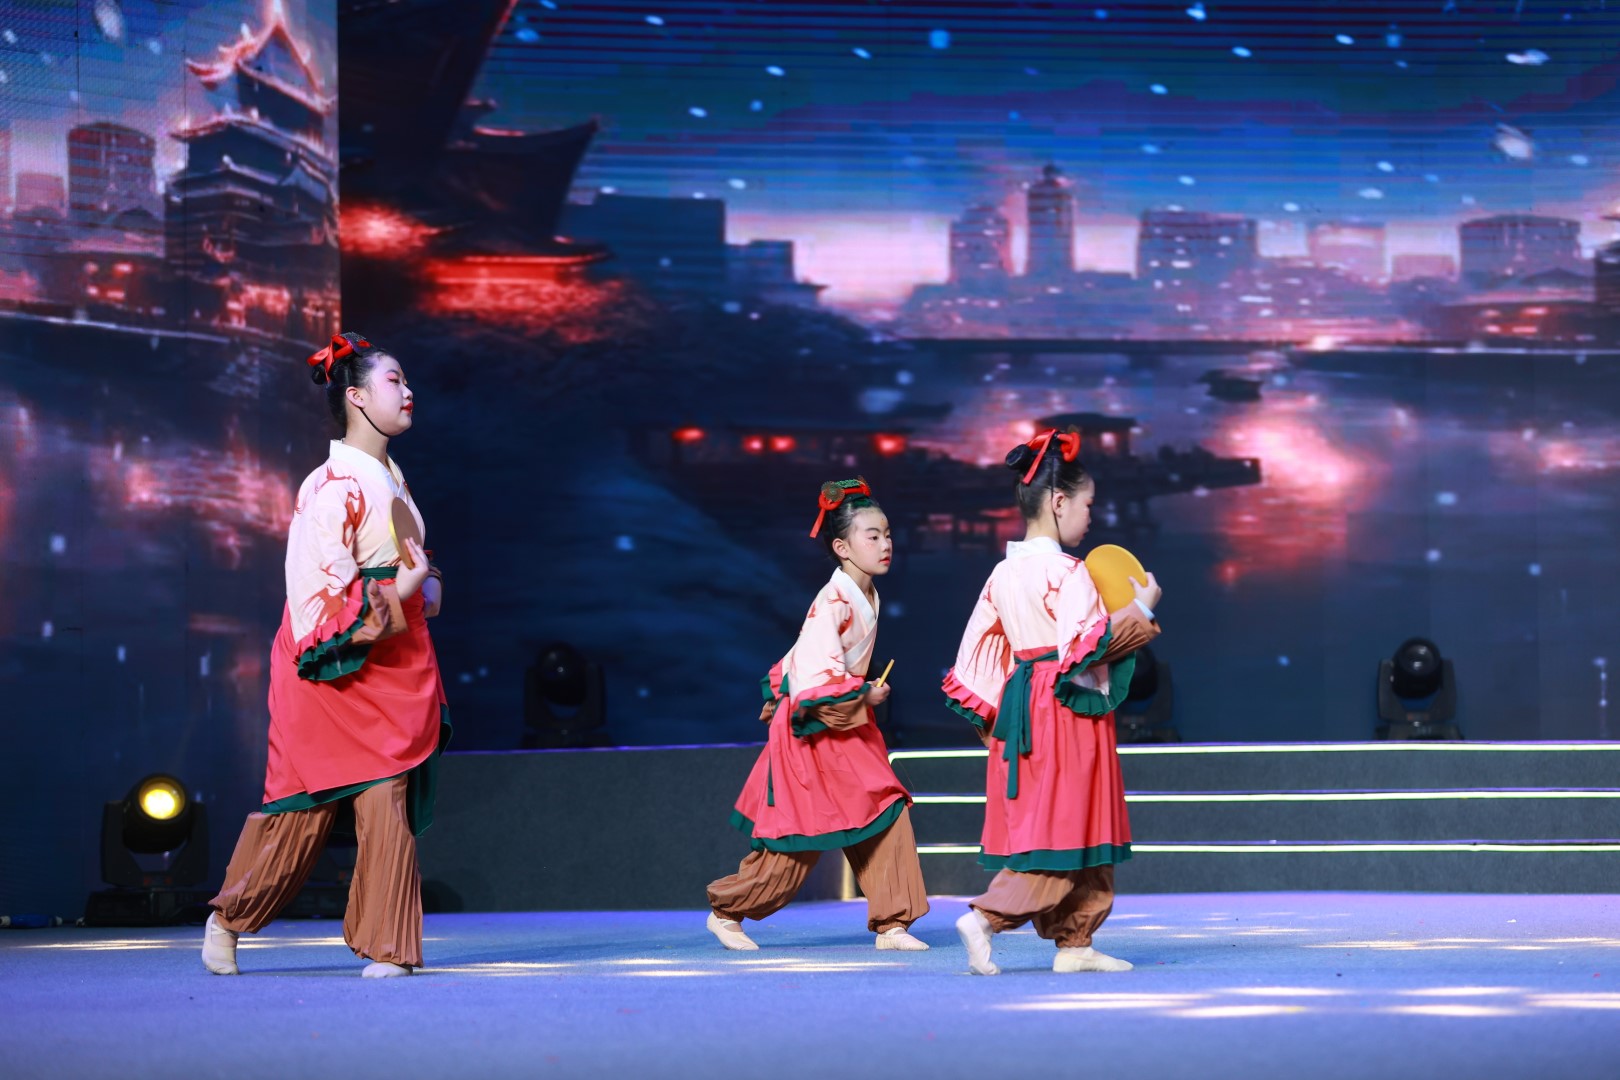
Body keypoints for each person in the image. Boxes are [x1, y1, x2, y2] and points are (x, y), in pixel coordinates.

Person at [202, 332, 450, 978]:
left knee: (386, 798)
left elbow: (403, 559)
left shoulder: (390, 476)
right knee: (303, 814)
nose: (408, 391)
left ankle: (388, 944)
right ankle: (230, 917)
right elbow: (317, 604)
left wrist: (425, 580)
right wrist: (405, 588)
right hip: (330, 665)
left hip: (388, 656)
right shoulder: (330, 485)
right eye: (395, 380)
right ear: (358, 397)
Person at [942, 429, 1162, 975]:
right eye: (1087, 505)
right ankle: (988, 915)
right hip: (1064, 707)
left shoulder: (1001, 573)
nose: (1090, 516)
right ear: (1059, 501)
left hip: (1022, 701)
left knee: (1065, 822)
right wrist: (1141, 609)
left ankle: (1075, 942)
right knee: (1068, 824)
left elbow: (977, 652)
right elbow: (1086, 647)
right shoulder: (1068, 571)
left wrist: (993, 717)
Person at [706, 479, 929, 952]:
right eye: (873, 536)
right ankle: (727, 911)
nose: (886, 544)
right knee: (800, 833)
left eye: (888, 534)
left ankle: (893, 924)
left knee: (884, 809)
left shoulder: (863, 594)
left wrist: (858, 696)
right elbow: (812, 677)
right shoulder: (833, 600)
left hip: (843, 718)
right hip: (814, 723)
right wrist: (862, 693)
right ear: (842, 547)